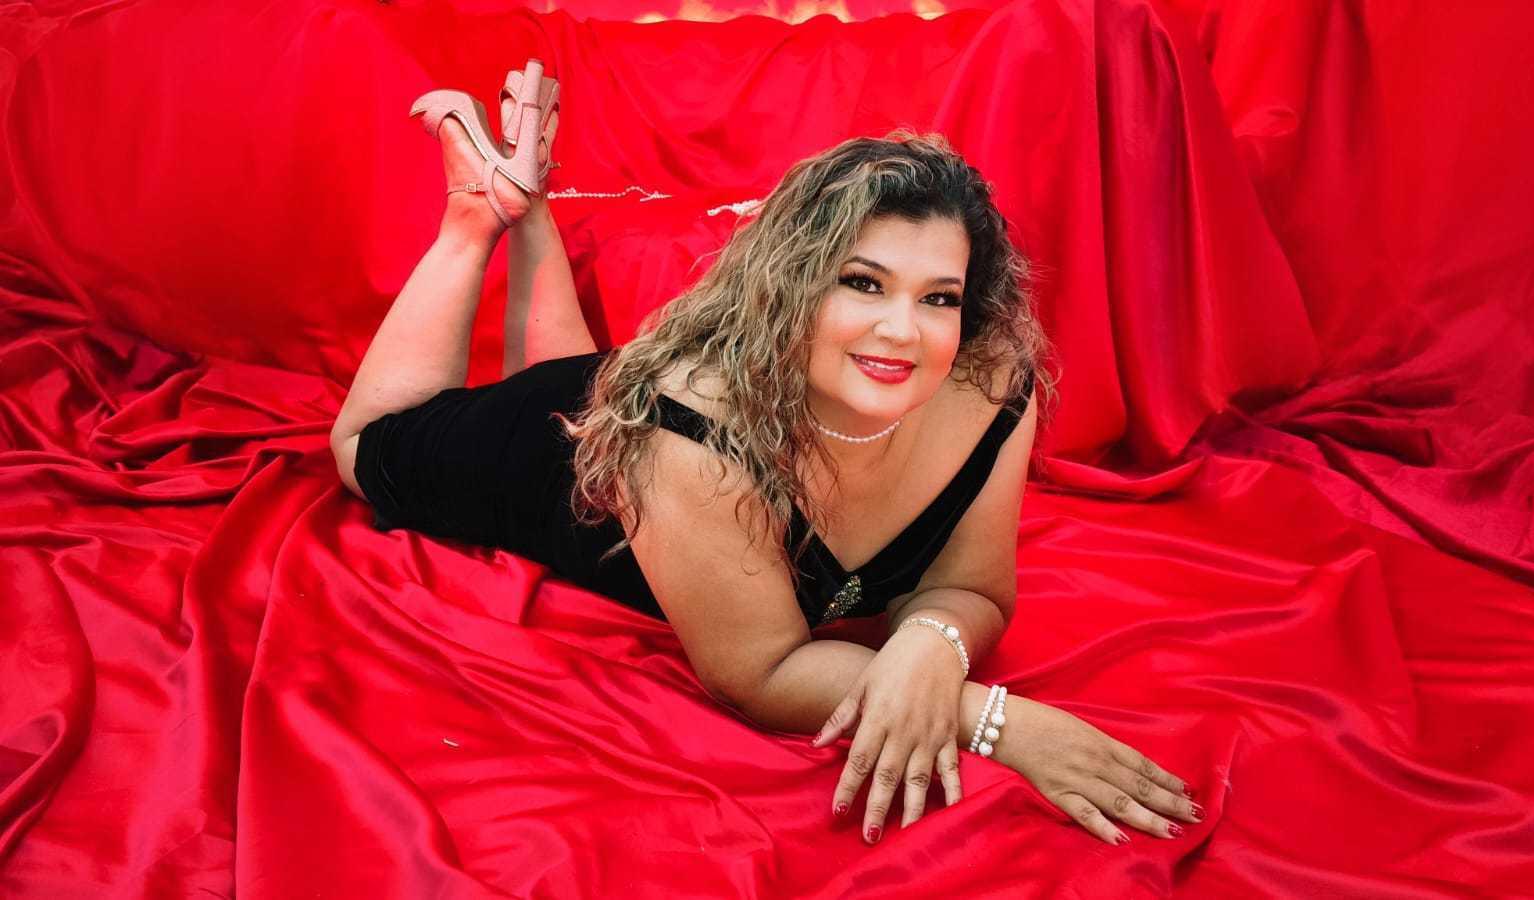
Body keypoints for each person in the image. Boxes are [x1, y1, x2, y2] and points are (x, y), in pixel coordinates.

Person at [329, 59, 1203, 848]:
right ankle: (476, 215)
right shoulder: (685, 440)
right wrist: (1001, 724)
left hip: (622, 408)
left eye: (938, 297)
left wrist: (930, 645)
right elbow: (760, 673)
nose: (903, 331)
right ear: (791, 284)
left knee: (579, 378)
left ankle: (531, 201)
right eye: (862, 283)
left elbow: (972, 589)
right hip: (542, 461)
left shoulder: (989, 384)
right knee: (366, 445)